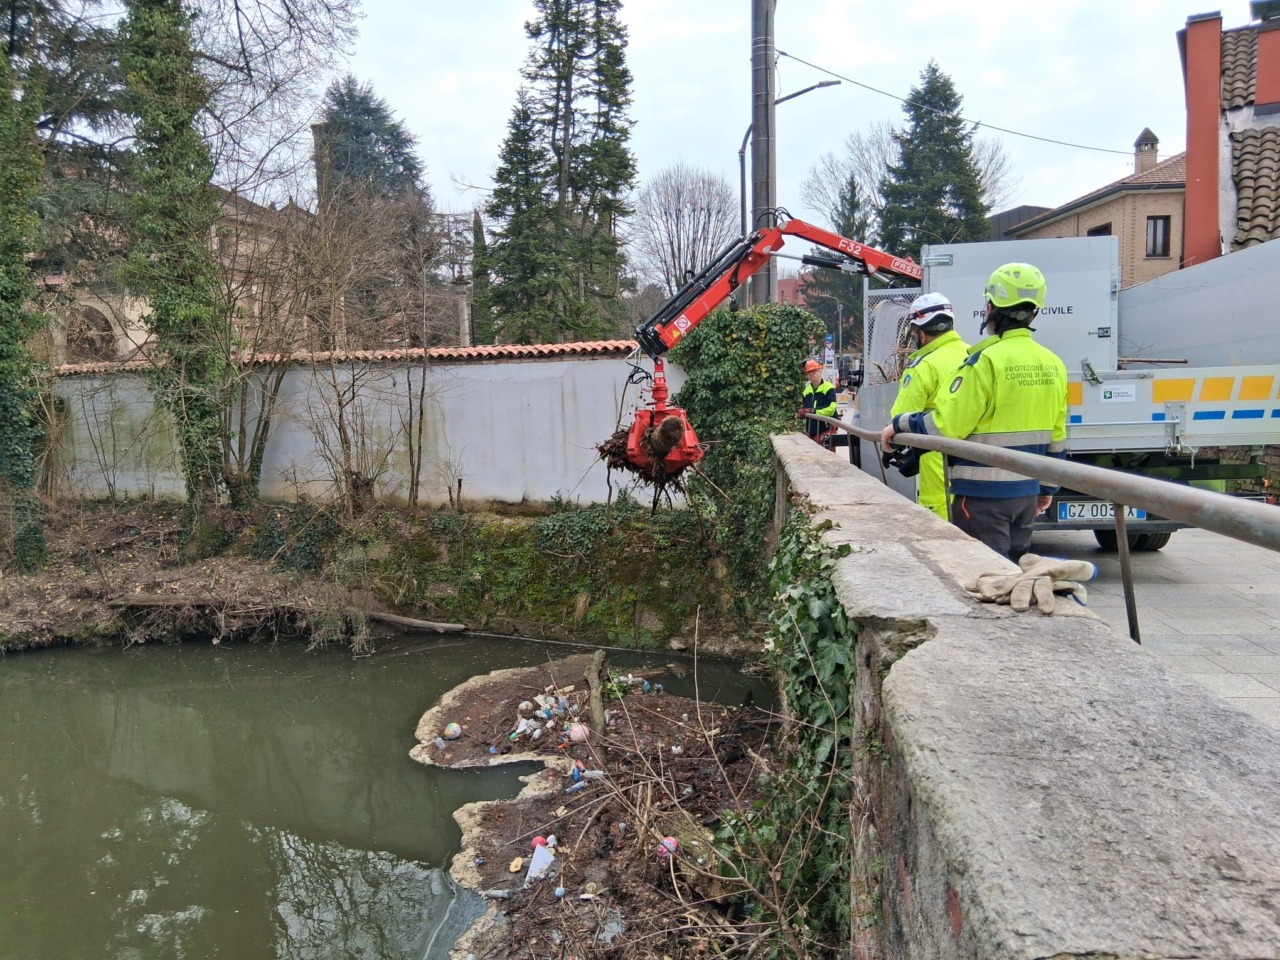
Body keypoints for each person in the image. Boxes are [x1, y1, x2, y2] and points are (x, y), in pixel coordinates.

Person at [880, 263, 1067, 561]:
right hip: (1027, 493)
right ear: (1034, 310)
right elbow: (1057, 437)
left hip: (982, 496)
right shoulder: (1053, 363)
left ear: (991, 307)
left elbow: (946, 425)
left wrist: (899, 424)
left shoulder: (985, 361)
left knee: (983, 575)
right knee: (1014, 574)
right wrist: (1047, 487)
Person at [889, 292, 970, 519]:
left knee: (943, 541)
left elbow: (901, 416)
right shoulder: (976, 356)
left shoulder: (924, 366)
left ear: (921, 334)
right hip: (979, 469)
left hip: (938, 470)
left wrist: (891, 445)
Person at [798, 357, 838, 445]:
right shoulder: (806, 391)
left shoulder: (828, 388)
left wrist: (813, 411)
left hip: (826, 429)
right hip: (811, 431)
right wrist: (802, 413)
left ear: (820, 371)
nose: (811, 374)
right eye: (809, 372)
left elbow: (831, 409)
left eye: (813, 371)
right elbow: (806, 408)